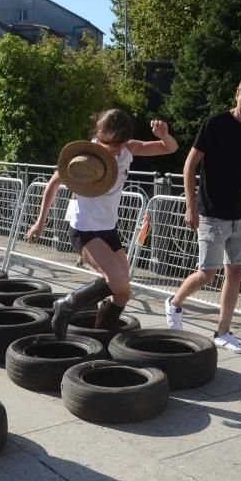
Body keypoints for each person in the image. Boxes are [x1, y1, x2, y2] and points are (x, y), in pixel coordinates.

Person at [26, 109, 178, 338]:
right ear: (100, 133)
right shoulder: (85, 157)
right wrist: (40, 222)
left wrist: (164, 135)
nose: (112, 150)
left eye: (118, 145)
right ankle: (66, 304)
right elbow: (53, 184)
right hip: (84, 230)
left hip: (109, 229)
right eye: (108, 144)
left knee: (123, 292)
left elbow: (170, 148)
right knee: (115, 280)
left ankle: (102, 336)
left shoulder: (129, 149)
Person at [165, 75, 241, 354]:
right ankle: (175, 303)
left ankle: (223, 331)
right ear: (236, 95)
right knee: (208, 273)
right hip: (212, 211)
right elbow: (190, 165)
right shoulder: (214, 124)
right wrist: (190, 206)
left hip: (240, 212)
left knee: (236, 271)